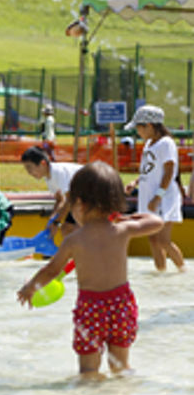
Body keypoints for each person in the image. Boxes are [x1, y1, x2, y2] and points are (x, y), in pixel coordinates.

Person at [17, 161, 164, 380]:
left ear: (79, 203)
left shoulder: (74, 239)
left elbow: (51, 271)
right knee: (120, 366)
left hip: (91, 309)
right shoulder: (123, 229)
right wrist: (126, 218)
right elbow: (157, 221)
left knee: (88, 370)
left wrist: (30, 288)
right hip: (121, 304)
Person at [123, 105, 187, 272]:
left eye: (138, 127)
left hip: (162, 198)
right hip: (149, 197)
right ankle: (161, 273)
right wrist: (135, 182)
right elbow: (149, 170)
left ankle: (183, 271)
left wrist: (158, 197)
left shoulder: (166, 143)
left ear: (149, 126)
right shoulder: (149, 143)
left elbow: (169, 171)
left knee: (164, 241)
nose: (137, 132)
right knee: (153, 240)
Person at [21, 146, 81, 241]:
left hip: (96, 194)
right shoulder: (49, 178)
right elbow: (60, 200)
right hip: (80, 199)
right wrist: (51, 221)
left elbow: (70, 200)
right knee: (66, 230)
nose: (29, 173)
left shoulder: (58, 172)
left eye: (30, 167)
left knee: (79, 229)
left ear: (43, 163)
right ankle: (77, 255)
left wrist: (57, 222)